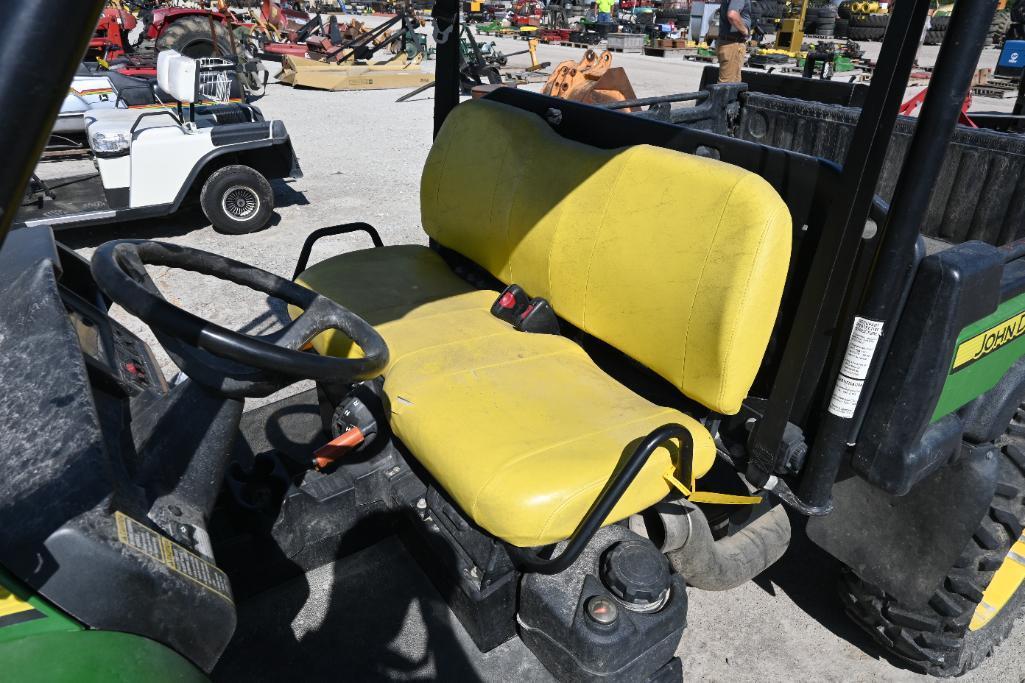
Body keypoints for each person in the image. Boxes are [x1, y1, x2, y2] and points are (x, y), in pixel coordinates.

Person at [716, 0, 751, 84]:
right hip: (732, 45)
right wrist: (745, 31)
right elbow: (732, 15)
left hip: (729, 43)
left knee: (733, 85)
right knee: (726, 86)